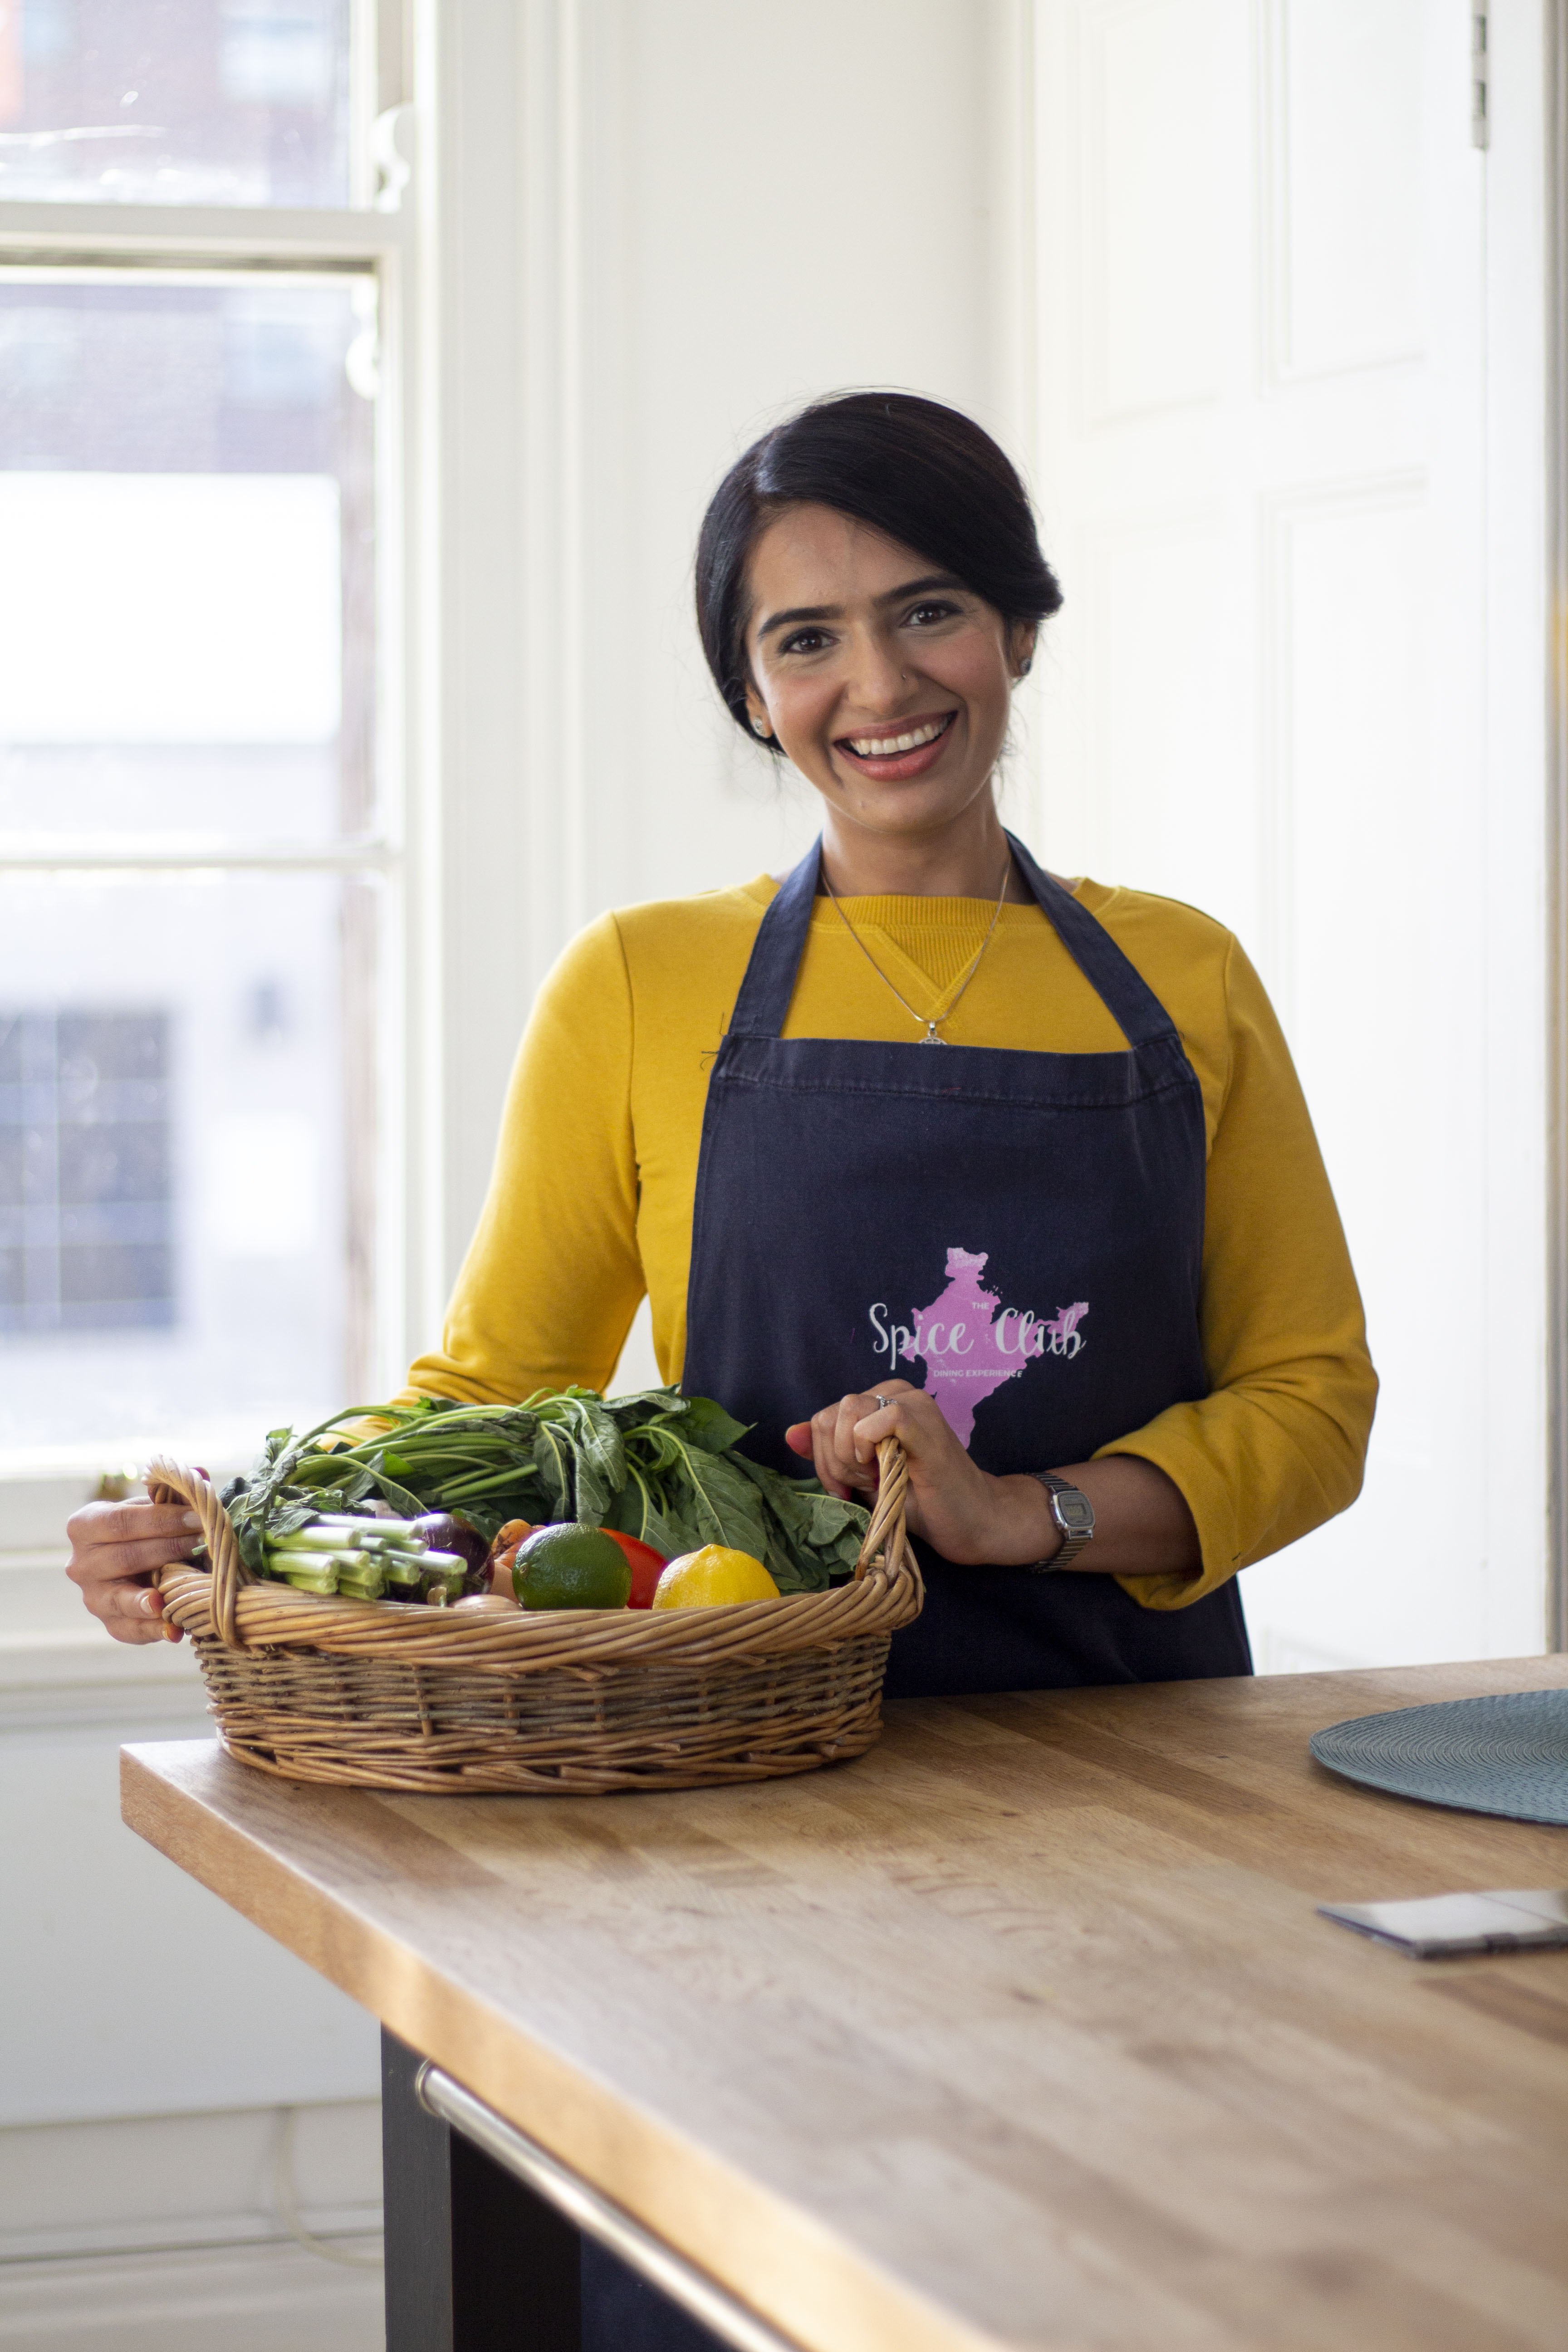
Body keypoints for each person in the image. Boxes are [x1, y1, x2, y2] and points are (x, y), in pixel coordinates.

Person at [66, 390, 1375, 2348]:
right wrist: (239, 1526)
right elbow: (500, 1386)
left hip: (1134, 1771)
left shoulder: (1183, 978)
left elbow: (1311, 1394)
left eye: (928, 611)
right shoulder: (640, 987)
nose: (879, 684)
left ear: (1018, 627)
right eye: (804, 639)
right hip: (731, 1788)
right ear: (751, 691)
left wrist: (1021, 1514)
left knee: (1117, 2280)